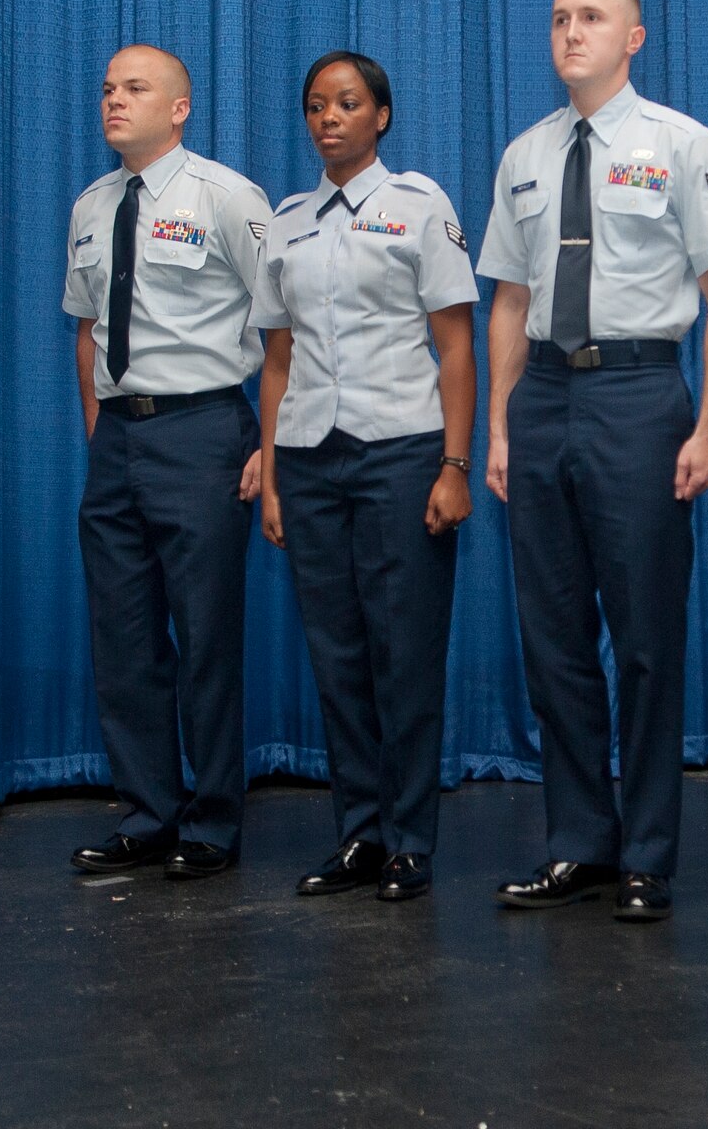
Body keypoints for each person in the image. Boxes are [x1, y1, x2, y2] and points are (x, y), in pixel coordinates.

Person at [478, 0, 708, 923]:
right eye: (559, 19)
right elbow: (508, 298)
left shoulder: (682, 144)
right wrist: (499, 427)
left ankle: (649, 855)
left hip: (638, 395)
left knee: (645, 639)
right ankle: (579, 844)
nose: (571, 32)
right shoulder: (525, 155)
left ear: (634, 37)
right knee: (553, 643)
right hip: (544, 398)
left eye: (592, 18)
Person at [253, 51, 478, 902]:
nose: (329, 119)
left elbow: (456, 346)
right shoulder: (287, 219)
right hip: (311, 457)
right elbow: (276, 361)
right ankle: (358, 833)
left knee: (404, 653)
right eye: (316, 106)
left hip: (402, 450)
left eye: (347, 103)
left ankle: (409, 843)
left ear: (381, 114)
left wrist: (454, 464)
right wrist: (272, 475)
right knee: (337, 654)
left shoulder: (419, 206)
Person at [63, 44, 271, 880]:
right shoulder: (89, 205)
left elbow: (286, 320)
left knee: (207, 636)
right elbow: (86, 332)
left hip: (204, 431)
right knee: (124, 638)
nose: (115, 100)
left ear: (179, 107)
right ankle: (147, 812)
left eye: (135, 88)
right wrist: (98, 433)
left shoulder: (226, 198)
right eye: (108, 87)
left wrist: (268, 439)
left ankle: (213, 821)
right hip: (118, 438)